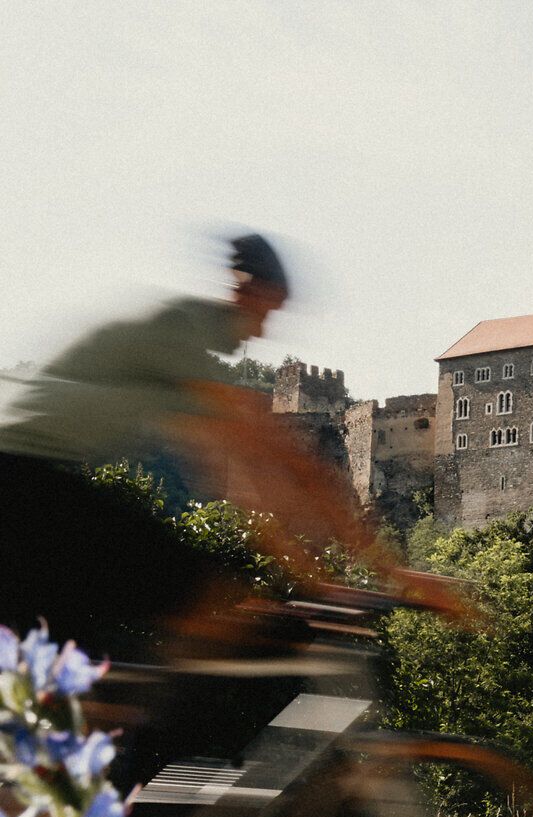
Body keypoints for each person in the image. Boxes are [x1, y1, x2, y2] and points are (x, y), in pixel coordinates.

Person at [0, 232, 457, 659]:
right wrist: (389, 573)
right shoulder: (179, 327)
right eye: (266, 311)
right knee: (200, 600)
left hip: (33, 480)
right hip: (22, 476)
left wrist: (307, 570)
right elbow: (272, 458)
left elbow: (242, 479)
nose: (261, 331)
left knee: (139, 617)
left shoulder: (184, 353)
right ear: (244, 290)